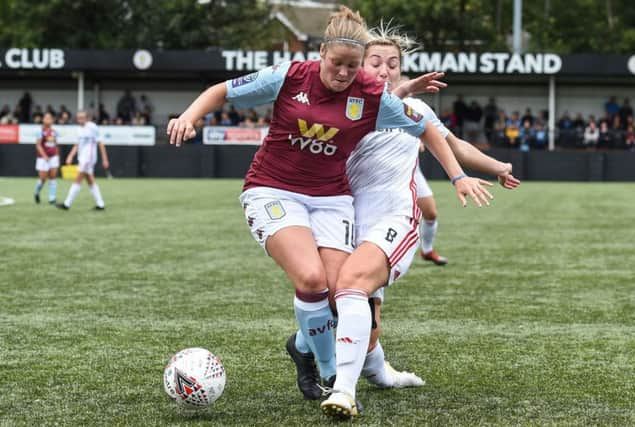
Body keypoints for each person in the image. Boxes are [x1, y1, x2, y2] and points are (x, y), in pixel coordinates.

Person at [167, 4, 489, 404]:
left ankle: (306, 350)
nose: (343, 74)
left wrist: (457, 176)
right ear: (321, 53)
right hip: (273, 190)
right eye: (337, 63)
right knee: (311, 280)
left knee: (343, 293)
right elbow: (222, 91)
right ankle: (333, 374)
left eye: (353, 67)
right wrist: (189, 116)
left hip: (332, 199)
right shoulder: (289, 76)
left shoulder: (371, 95)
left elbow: (426, 128)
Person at [320, 25, 520, 419]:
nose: (384, 70)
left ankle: (343, 389)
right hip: (343, 217)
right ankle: (380, 372)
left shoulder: (416, 110)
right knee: (349, 307)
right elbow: (380, 104)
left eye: (392, 64)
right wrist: (405, 90)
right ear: (360, 66)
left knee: (351, 288)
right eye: (375, 62)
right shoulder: (349, 105)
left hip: (395, 218)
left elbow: (451, 144)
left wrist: (498, 166)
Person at [56, 111, 109, 210]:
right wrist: (70, 156)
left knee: (78, 179)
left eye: (82, 118)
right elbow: (77, 144)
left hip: (88, 158)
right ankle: (100, 204)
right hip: (82, 157)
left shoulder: (92, 127)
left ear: (87, 118)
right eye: (78, 118)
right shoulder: (79, 129)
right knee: (90, 181)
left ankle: (67, 204)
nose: (80, 120)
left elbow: (100, 143)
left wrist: (105, 159)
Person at [33, 112, 60, 204]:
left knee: (52, 177)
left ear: (52, 120)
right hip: (43, 158)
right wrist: (44, 156)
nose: (48, 120)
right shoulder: (40, 131)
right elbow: (38, 145)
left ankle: (52, 198)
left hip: (53, 157)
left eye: (50, 118)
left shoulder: (55, 132)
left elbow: (56, 144)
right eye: (46, 118)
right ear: (43, 120)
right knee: (43, 179)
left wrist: (56, 154)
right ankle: (36, 192)